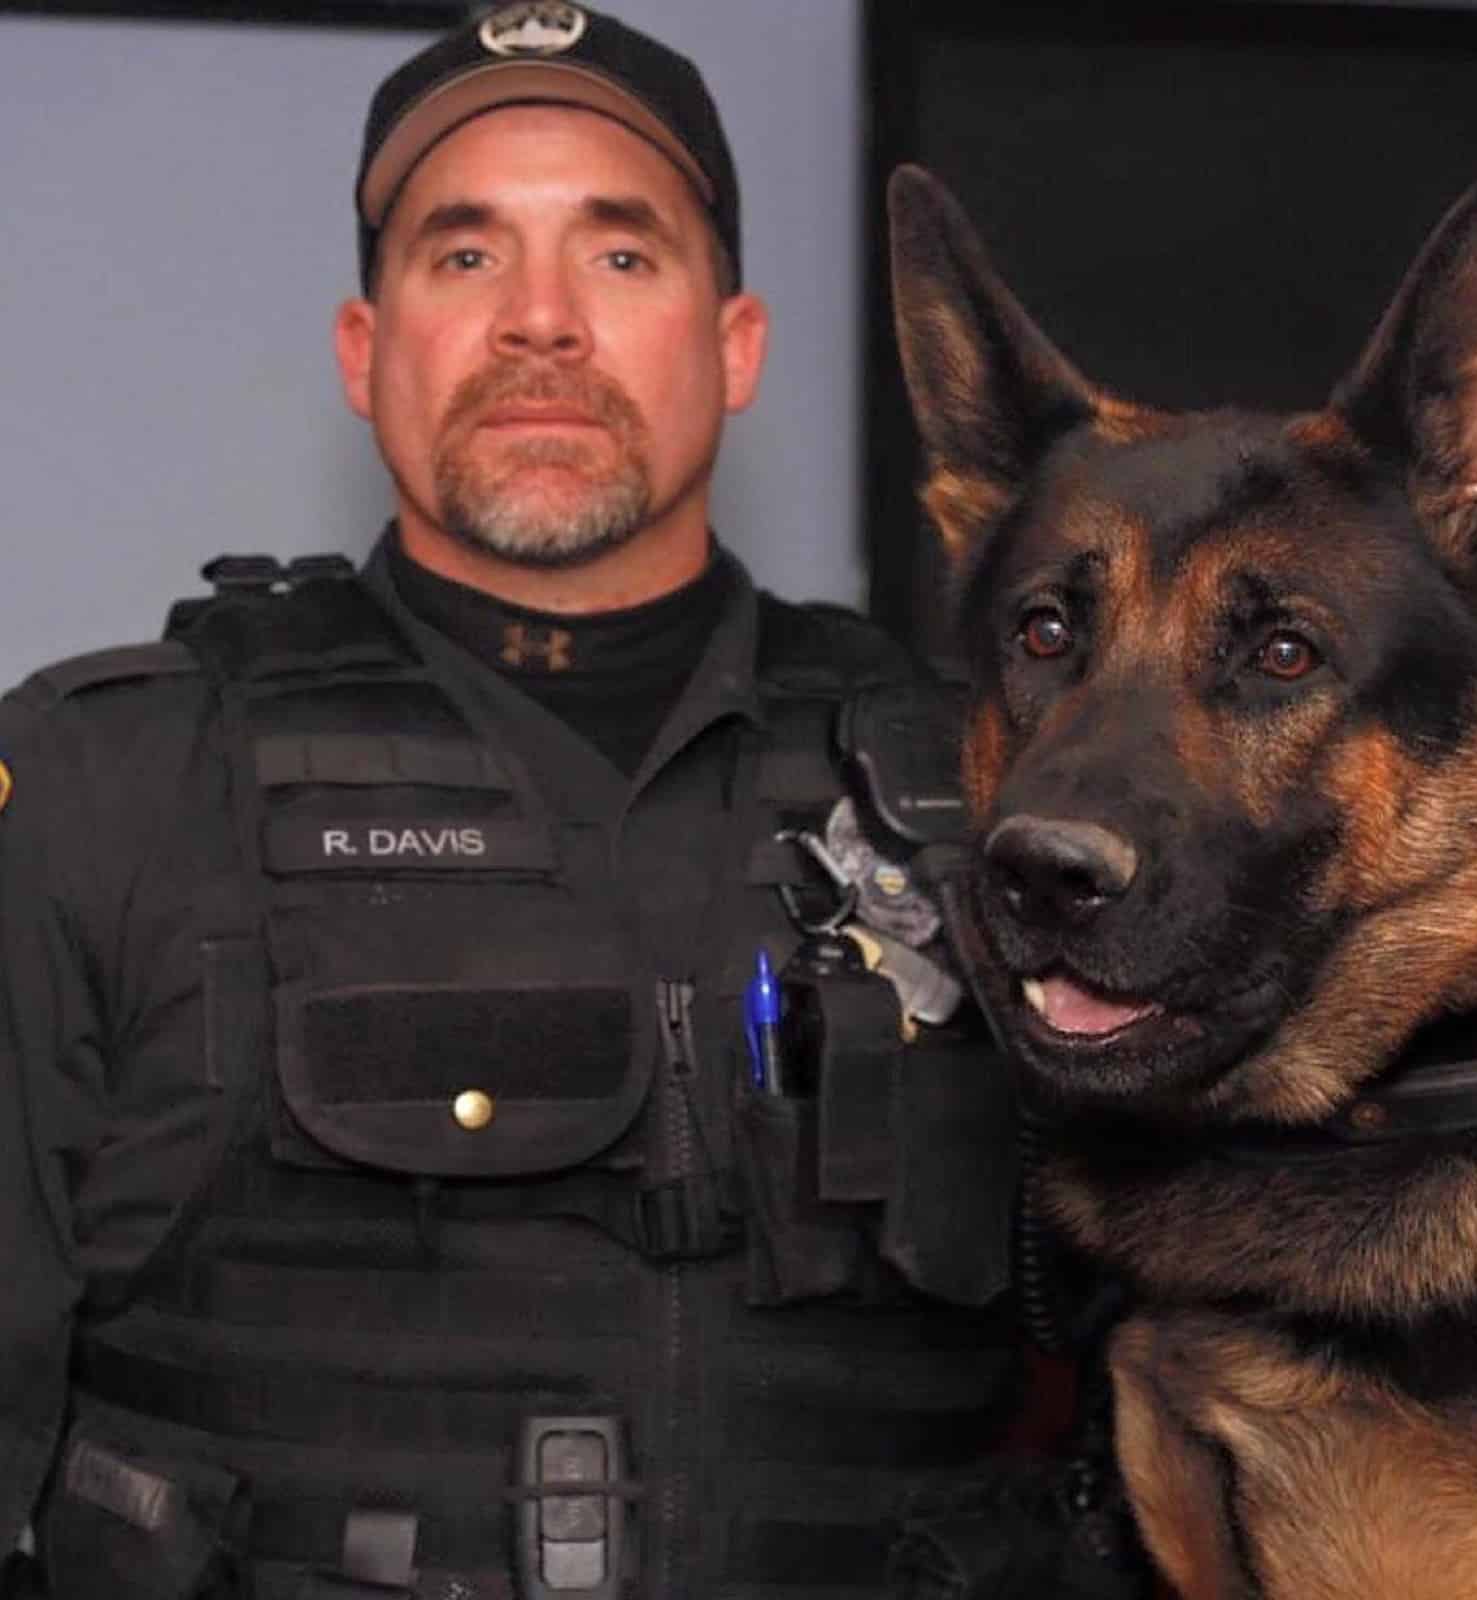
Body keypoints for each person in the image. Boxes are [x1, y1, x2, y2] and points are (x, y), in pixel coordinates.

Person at [0, 7, 1026, 1596]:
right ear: (364, 350)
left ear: (737, 345)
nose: (540, 322)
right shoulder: (108, 783)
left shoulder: (989, 793)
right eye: (463, 257)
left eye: (621, 258)